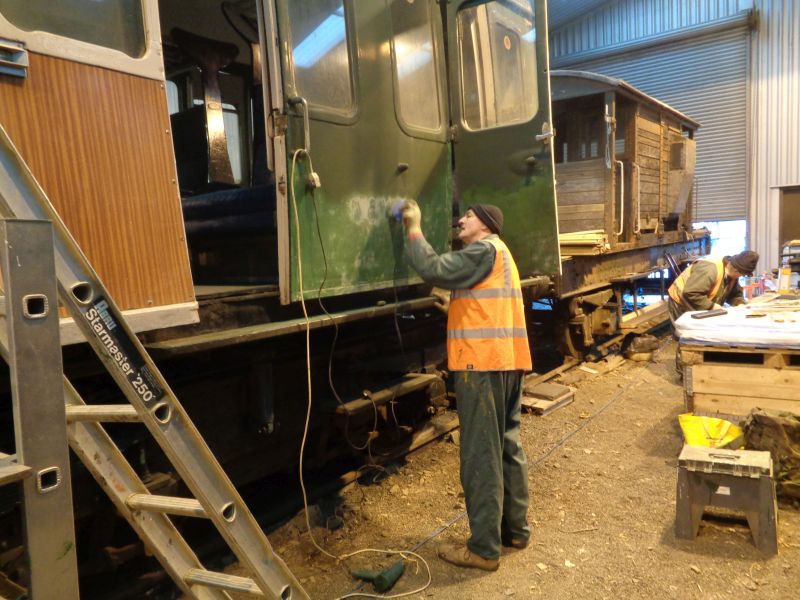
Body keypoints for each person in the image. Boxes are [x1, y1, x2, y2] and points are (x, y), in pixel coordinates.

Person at [400, 200, 531, 571]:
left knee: (480, 455)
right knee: (507, 447)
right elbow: (486, 304)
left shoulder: (482, 250)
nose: (460, 220)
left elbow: (432, 267)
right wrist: (456, 304)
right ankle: (516, 531)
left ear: (486, 225)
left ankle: (484, 550)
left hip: (481, 364)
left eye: (469, 216)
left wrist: (413, 226)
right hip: (508, 360)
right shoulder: (501, 255)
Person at [667, 250, 760, 325]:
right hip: (681, 302)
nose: (741, 277)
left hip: (699, 302)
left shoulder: (732, 272)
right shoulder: (710, 269)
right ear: (737, 270)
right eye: (743, 275)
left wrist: (739, 304)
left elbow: (734, 294)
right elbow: (691, 293)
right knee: (685, 336)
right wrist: (712, 306)